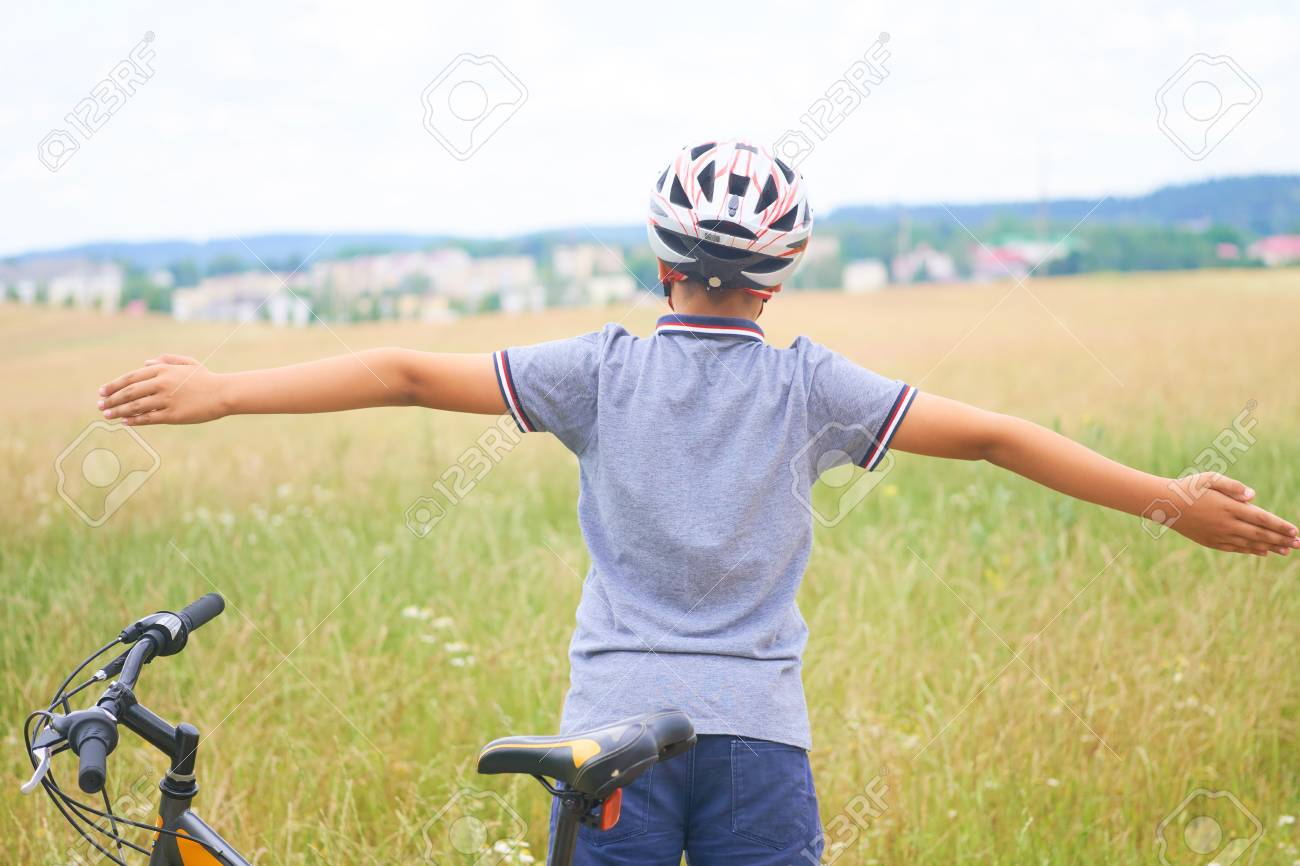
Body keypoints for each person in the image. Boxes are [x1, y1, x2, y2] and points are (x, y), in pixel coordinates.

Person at [97, 140, 1297, 865]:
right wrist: (1166, 499)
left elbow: (406, 372)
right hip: (758, 738)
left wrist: (223, 390)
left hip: (610, 737)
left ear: (659, 260)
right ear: (780, 278)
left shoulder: (598, 370)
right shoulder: (811, 384)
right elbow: (992, 436)